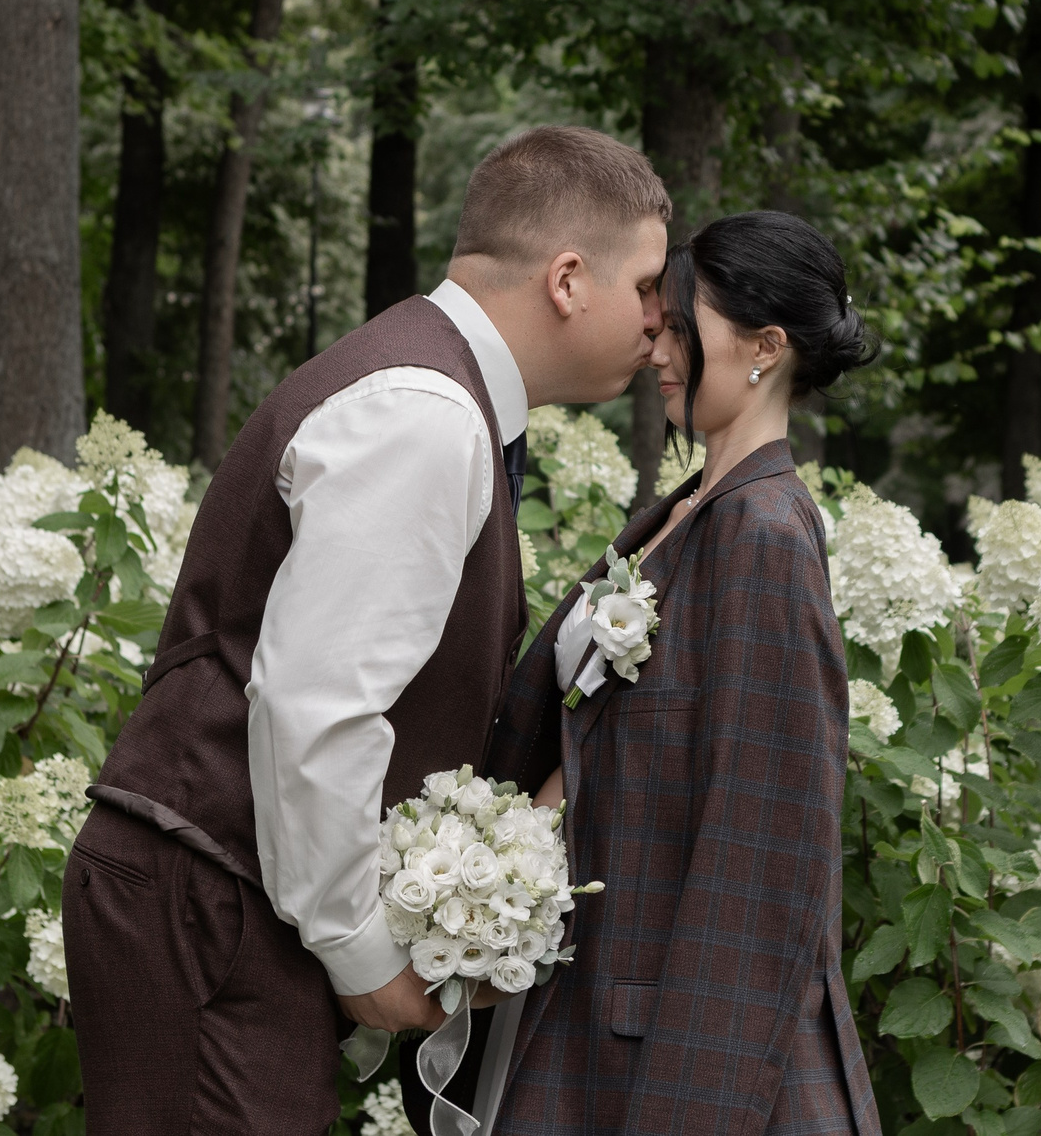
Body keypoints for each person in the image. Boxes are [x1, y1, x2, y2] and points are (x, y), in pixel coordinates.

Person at [63, 126, 672, 1136]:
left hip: (212, 891)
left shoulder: (429, 386)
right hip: (200, 894)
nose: (661, 318)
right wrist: (362, 948)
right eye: (648, 283)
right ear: (568, 278)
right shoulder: (424, 413)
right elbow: (318, 701)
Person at [484, 210, 883, 1136]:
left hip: (683, 1068)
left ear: (765, 347)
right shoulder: (690, 510)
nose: (654, 346)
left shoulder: (767, 535)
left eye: (677, 324)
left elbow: (766, 852)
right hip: (585, 1026)